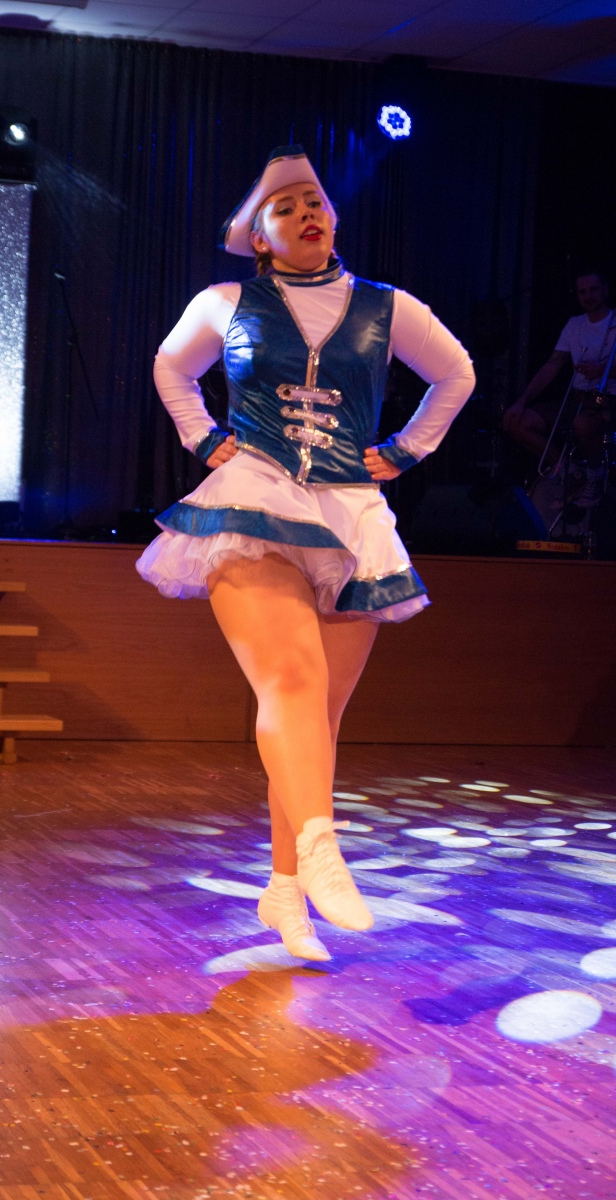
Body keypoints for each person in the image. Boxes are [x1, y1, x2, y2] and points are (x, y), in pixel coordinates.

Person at [137, 146, 475, 961]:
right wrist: (201, 436)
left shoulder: (386, 307)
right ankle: (325, 849)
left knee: (317, 719)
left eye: (314, 202)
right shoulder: (225, 302)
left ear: (335, 217)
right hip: (253, 498)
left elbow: (457, 373)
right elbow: (171, 366)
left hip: (351, 512)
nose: (305, 214)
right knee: (290, 681)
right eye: (285, 208)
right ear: (260, 237)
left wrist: (405, 449)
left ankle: (285, 888)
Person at [503, 269, 616, 477]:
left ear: (605, 290)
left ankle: (595, 475)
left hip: (609, 401)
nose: (588, 296)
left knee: (582, 424)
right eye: (582, 292)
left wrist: (602, 370)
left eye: (593, 290)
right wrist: (522, 401)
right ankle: (567, 469)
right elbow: (552, 365)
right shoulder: (574, 324)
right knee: (516, 421)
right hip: (578, 399)